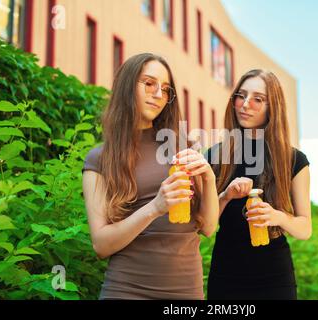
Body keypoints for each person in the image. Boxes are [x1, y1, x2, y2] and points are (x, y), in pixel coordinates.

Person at [82, 53, 218, 299]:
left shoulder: (184, 147)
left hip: (185, 292)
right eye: (149, 83)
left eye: (166, 89)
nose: (158, 94)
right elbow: (101, 245)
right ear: (127, 86)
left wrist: (208, 177)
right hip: (126, 290)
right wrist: (156, 206)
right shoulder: (99, 158)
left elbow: (208, 227)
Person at [205, 69, 312, 300]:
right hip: (226, 276)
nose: (245, 104)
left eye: (258, 99)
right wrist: (224, 196)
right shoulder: (214, 157)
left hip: (275, 278)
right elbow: (204, 226)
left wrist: (278, 217)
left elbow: (305, 228)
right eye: (241, 96)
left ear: (272, 108)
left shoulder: (294, 160)